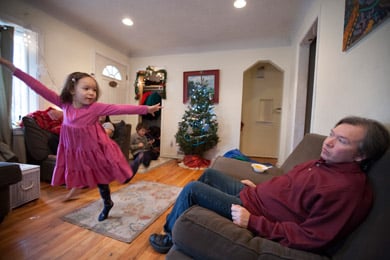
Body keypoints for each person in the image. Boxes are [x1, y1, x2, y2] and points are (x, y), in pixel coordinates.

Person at [149, 116, 390, 254]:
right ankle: (176, 222)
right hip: (253, 196)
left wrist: (252, 222)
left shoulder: (346, 190)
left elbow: (312, 237)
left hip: (254, 212)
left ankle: (171, 236)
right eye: (331, 134)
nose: (327, 143)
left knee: (192, 189)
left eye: (342, 141)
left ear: (361, 155)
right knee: (210, 175)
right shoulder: (324, 163)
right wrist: (256, 187)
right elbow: (287, 185)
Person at [0, 57, 162, 221]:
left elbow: (120, 108)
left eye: (94, 90)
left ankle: (141, 157)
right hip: (77, 150)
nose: (91, 93)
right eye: (86, 88)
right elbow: (38, 88)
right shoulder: (65, 104)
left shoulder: (95, 108)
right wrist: (12, 68)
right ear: (72, 90)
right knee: (98, 178)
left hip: (98, 149)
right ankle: (107, 203)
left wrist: (146, 108)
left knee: (122, 178)